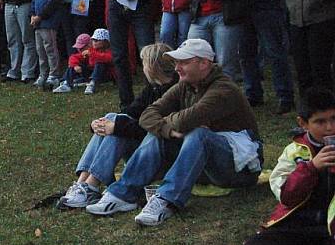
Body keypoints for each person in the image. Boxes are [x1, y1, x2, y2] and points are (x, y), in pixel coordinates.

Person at [170, 89, 335, 245]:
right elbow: (287, 196)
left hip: (331, 227)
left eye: (333, 119)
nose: (330, 127)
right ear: (303, 123)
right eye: (320, 122)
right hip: (298, 221)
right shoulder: (294, 152)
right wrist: (311, 168)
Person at [86, 39, 262, 226]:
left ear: (204, 63)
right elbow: (147, 114)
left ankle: (167, 200)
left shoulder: (223, 89)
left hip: (239, 169)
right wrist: (167, 129)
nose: (177, 67)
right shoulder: (185, 85)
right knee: (158, 133)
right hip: (203, 165)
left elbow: (185, 120)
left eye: (184, 62)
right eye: (176, 62)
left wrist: (169, 124)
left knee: (197, 135)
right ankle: (122, 194)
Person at [57, 43, 177, 209]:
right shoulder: (154, 88)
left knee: (119, 128)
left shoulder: (174, 92)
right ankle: (83, 183)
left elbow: (153, 130)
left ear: (153, 67)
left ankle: (91, 185)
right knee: (114, 118)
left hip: (157, 153)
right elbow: (130, 112)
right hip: (145, 145)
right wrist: (99, 124)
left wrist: (116, 127)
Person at [29, 0, 64, 89]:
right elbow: (33, 3)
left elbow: (51, 4)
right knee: (40, 50)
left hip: (48, 24)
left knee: (50, 49)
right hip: (38, 24)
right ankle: (43, 74)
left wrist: (40, 16)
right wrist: (32, 15)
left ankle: (54, 74)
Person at [68, 28, 113, 95]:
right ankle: (66, 83)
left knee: (99, 63)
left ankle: (92, 84)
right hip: (91, 73)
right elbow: (74, 57)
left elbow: (107, 58)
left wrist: (92, 54)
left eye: (97, 40)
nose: (94, 42)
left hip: (105, 75)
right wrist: (75, 65)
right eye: (93, 40)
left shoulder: (109, 51)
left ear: (105, 42)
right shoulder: (91, 50)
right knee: (73, 66)